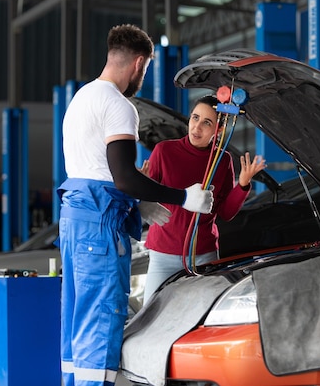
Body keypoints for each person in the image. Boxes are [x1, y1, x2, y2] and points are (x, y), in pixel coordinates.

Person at [57, 24, 213, 386]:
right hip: (99, 228)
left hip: (76, 221)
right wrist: (183, 197)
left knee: (77, 327)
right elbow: (124, 177)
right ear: (139, 63)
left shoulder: (80, 99)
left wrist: (135, 207)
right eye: (145, 70)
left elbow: (94, 174)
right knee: (100, 325)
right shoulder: (118, 105)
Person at [142, 94, 267, 304]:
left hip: (205, 256)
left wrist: (243, 184)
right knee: (150, 316)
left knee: (203, 318)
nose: (197, 127)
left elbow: (225, 212)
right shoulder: (164, 151)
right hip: (163, 255)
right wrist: (143, 187)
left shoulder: (222, 160)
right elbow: (147, 197)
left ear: (218, 130)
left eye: (206, 123)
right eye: (195, 118)